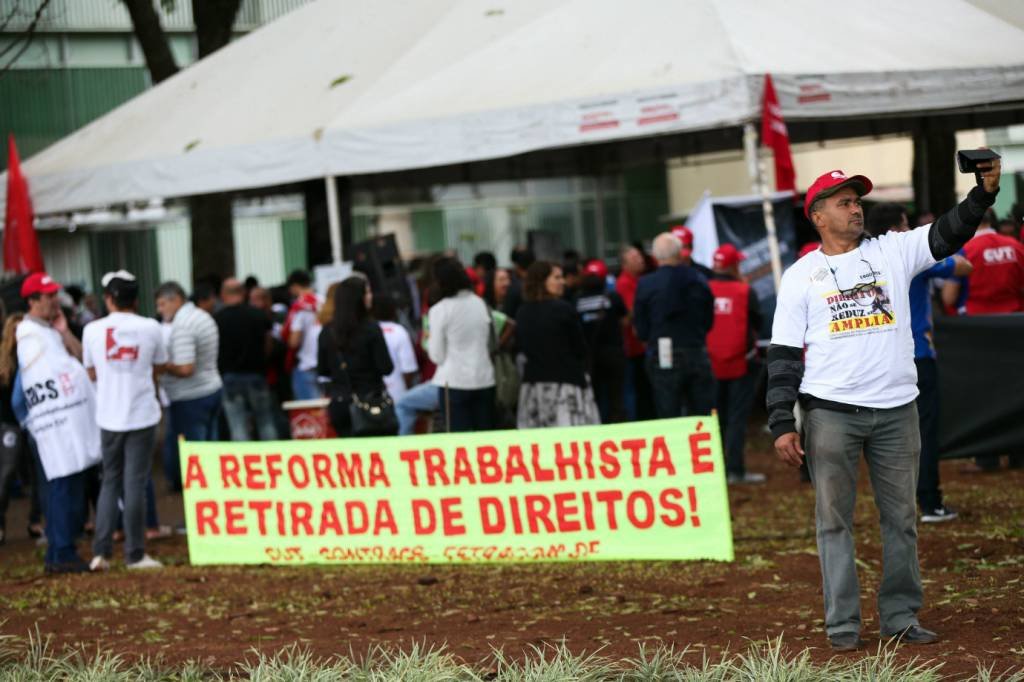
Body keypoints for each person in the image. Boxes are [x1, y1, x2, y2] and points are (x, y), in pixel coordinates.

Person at [767, 161, 1001, 651]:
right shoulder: (801, 276)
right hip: (830, 414)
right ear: (817, 216)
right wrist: (781, 422)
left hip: (898, 411)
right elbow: (785, 355)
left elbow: (947, 232)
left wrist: (983, 194)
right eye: (844, 203)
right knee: (834, 521)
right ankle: (843, 627)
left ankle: (899, 617)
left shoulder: (893, 250)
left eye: (858, 202)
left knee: (901, 519)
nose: (856, 210)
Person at [866, 202, 972, 520]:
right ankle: (929, 502)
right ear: (899, 229)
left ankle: (893, 504)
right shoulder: (913, 257)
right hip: (917, 356)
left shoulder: (864, 258)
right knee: (922, 431)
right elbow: (963, 266)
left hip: (878, 358)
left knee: (883, 435)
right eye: (906, 225)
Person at [17, 272, 101, 573]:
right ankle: (62, 552)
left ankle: (59, 551)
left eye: (55, 294)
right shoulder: (29, 335)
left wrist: (64, 332)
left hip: (65, 423)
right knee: (63, 489)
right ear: (32, 301)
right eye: (48, 295)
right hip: (56, 425)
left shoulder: (47, 331)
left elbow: (82, 361)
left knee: (64, 488)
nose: (55, 300)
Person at [83, 271, 166, 571]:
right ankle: (135, 553)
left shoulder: (92, 329)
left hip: (108, 416)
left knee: (110, 482)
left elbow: (90, 372)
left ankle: (101, 553)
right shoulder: (151, 327)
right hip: (141, 414)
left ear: (108, 299)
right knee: (135, 484)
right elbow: (159, 367)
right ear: (137, 299)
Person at [634, 233, 715, 418]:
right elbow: (709, 319)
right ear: (680, 253)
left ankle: (676, 446)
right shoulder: (698, 278)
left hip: (663, 352)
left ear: (654, 256)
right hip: (695, 349)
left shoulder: (646, 283)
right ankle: (704, 445)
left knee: (668, 412)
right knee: (702, 413)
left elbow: (642, 328)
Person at [156, 281, 223, 491]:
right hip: (210, 388)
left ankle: (201, 495)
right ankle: (211, 489)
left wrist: (162, 367)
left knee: (196, 453)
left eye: (162, 304)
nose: (159, 310)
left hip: (191, 396)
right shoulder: (200, 316)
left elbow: (186, 369)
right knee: (209, 448)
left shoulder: (183, 325)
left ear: (176, 299)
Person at [706, 243, 765, 484]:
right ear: (733, 265)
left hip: (710, 363)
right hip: (741, 362)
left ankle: (714, 470)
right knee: (736, 418)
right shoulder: (743, 290)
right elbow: (757, 322)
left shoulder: (703, 288)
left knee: (714, 418)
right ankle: (736, 471)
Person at [516, 261, 599, 428]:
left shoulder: (522, 312)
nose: (562, 282)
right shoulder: (564, 309)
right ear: (541, 280)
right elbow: (580, 348)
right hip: (566, 386)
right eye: (557, 277)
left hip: (534, 387)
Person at [317, 277, 394, 437]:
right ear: (359, 298)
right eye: (367, 292)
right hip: (371, 403)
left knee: (350, 457)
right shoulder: (371, 329)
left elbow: (323, 370)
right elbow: (386, 367)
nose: (370, 296)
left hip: (340, 402)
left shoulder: (327, 331)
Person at [427, 258, 495, 432]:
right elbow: (490, 343)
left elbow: (437, 355)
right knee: (485, 439)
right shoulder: (480, 304)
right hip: (484, 378)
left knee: (459, 443)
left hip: (453, 382)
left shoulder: (439, 310)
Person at [214, 278, 278, 441]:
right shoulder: (258, 315)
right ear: (244, 292)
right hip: (257, 374)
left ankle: (244, 463)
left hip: (230, 377)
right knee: (266, 422)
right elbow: (268, 344)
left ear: (222, 295)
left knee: (237, 425)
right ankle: (273, 459)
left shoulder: (217, 319)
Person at [942, 209, 1024, 315]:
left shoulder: (963, 252)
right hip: (1014, 319)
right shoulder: (1016, 246)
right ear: (989, 220)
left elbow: (949, 298)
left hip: (975, 321)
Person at [575, 259, 627, 423]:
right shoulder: (612, 297)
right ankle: (618, 427)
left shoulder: (577, 300)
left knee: (594, 397)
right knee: (616, 397)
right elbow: (625, 321)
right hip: (613, 353)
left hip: (589, 356)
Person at [616, 244, 655, 420]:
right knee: (636, 390)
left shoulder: (641, 280)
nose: (640, 260)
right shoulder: (624, 283)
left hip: (643, 345)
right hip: (633, 347)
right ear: (624, 264)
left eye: (640, 256)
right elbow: (632, 311)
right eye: (634, 258)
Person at [282, 269, 321, 400]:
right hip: (324, 363)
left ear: (294, 286)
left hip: (305, 364)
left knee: (309, 414)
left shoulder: (299, 306)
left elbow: (294, 342)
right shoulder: (322, 300)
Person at [374, 296, 419, 403]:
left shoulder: (368, 331)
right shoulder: (399, 331)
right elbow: (409, 369)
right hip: (399, 394)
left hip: (376, 397)